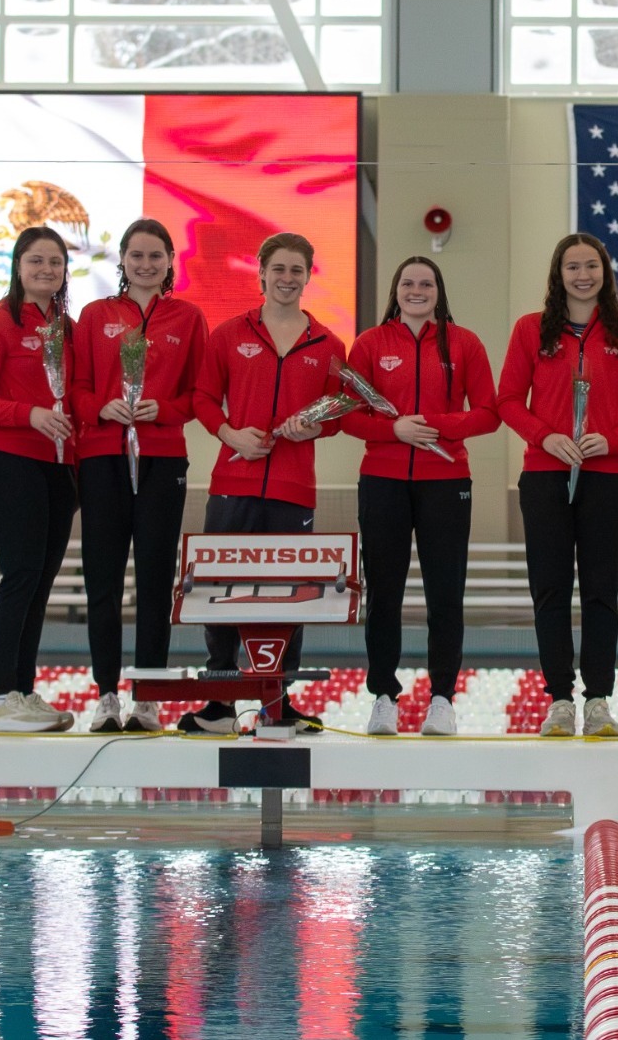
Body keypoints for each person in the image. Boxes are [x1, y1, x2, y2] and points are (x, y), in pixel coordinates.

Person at [185, 232, 344, 736]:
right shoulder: (229, 334)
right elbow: (204, 399)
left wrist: (318, 426)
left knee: (290, 597)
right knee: (218, 592)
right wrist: (231, 432)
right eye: (279, 269)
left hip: (293, 489)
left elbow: (339, 409)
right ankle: (219, 701)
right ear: (261, 273)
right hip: (233, 481)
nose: (287, 278)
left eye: (297, 270)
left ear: (308, 276)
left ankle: (279, 701)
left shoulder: (328, 344)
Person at [497, 234, 618, 738]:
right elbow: (507, 401)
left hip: (606, 477)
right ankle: (560, 700)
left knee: (601, 592)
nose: (582, 275)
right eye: (572, 267)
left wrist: (610, 441)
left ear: (605, 272)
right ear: (558, 274)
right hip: (545, 474)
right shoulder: (530, 330)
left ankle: (598, 700)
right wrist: (547, 437)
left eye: (591, 266)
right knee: (550, 590)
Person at [344, 257, 500, 737]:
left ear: (439, 290)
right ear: (396, 290)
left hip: (446, 480)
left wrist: (437, 427)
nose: (417, 290)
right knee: (383, 595)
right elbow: (347, 416)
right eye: (408, 282)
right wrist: (393, 428)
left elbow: (490, 412)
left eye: (426, 283)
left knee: (445, 597)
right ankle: (384, 697)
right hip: (383, 481)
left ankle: (442, 699)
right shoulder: (370, 344)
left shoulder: (465, 343)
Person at [69, 218, 206, 733]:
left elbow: (200, 396)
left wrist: (163, 410)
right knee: (102, 582)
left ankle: (147, 697)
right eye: (137, 255)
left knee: (154, 579)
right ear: (122, 260)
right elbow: (76, 389)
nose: (146, 264)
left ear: (171, 260)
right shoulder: (94, 315)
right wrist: (102, 408)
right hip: (102, 456)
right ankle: (106, 695)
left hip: (163, 458)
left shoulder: (188, 318)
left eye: (156, 255)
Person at [0, 226, 79, 733]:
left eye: (55, 262)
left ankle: (24, 691)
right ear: (17, 266)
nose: (46, 270)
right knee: (21, 575)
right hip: (11, 462)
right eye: (36, 261)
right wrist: (28, 415)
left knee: (41, 583)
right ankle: (0, 695)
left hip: (60, 468)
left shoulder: (68, 329)